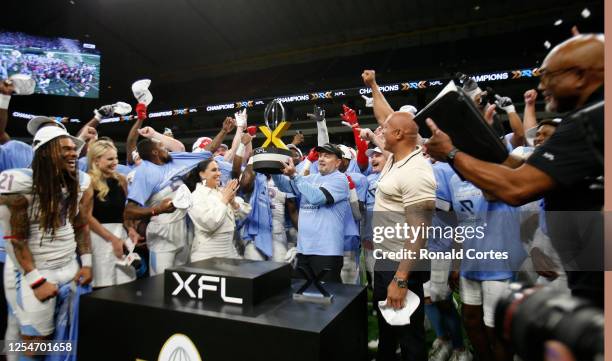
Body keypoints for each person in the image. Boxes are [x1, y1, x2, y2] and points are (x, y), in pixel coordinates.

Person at [424, 34, 604, 307]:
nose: (542, 84)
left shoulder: (591, 120)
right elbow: (520, 168)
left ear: (579, 75)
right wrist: (475, 141)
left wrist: (451, 153)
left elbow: (516, 187)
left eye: (547, 74)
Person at [0, 125, 93, 355]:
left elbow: (80, 224)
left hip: (68, 264)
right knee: (33, 342)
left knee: (61, 333)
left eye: (74, 149)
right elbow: (17, 240)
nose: (73, 153)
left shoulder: (78, 182)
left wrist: (88, 262)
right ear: (45, 152)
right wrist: (36, 281)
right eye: (65, 149)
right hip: (35, 268)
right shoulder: (20, 184)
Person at [123, 118, 234, 275]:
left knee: (180, 281)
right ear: (155, 152)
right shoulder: (144, 173)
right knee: (159, 284)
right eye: (162, 147)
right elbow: (129, 211)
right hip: (161, 234)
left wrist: (223, 131)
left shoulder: (174, 160)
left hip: (183, 231)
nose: (167, 149)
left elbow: (207, 152)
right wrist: (157, 210)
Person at [272, 143, 349, 283]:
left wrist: (295, 175)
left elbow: (317, 198)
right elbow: (285, 186)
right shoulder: (311, 178)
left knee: (328, 298)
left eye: (327, 156)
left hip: (326, 252)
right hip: (303, 250)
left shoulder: (340, 179)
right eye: (320, 155)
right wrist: (273, 170)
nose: (321, 159)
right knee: (302, 297)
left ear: (338, 162)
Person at [83, 140, 137, 288]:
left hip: (121, 236)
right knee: (104, 287)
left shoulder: (122, 180)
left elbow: (124, 212)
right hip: (98, 238)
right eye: (110, 159)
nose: (115, 162)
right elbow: (87, 217)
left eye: (116, 158)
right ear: (96, 160)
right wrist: (112, 239)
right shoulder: (87, 181)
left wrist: (130, 228)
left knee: (125, 285)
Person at [183, 159, 250, 261]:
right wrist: (225, 200)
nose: (219, 173)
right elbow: (210, 223)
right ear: (202, 174)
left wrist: (233, 203)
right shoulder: (195, 196)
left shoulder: (222, 192)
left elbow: (245, 214)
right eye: (214, 170)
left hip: (230, 251)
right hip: (207, 255)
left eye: (219, 170)